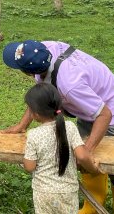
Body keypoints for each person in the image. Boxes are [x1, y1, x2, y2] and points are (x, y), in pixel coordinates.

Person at [2, 40, 114, 214]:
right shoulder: (41, 50)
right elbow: (41, 95)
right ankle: (92, 207)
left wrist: (87, 149)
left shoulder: (70, 85)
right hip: (88, 106)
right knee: (84, 163)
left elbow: (105, 114)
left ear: (28, 72)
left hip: (113, 110)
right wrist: (22, 125)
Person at [23, 84, 100, 214]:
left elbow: (30, 166)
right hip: (67, 192)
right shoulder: (70, 127)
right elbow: (82, 156)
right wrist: (93, 169)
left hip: (43, 192)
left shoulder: (34, 134)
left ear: (35, 114)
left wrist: (24, 159)